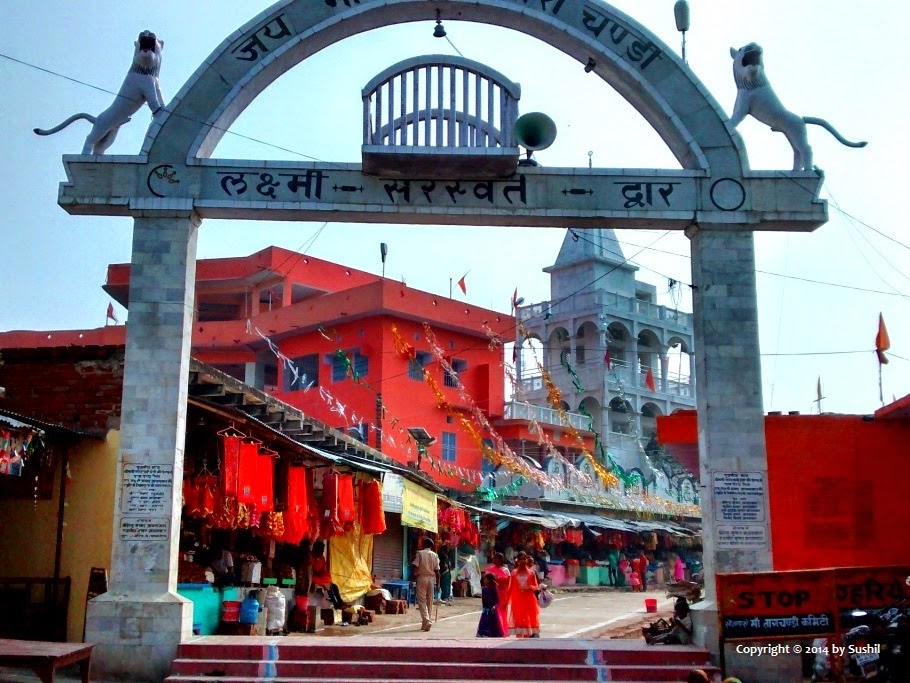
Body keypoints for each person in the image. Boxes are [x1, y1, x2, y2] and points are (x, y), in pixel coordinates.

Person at [509, 551, 541, 638]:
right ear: (517, 561)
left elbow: (536, 587)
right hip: (517, 600)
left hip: (528, 600)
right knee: (518, 620)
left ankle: (526, 642)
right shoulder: (514, 573)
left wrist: (529, 587)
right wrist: (506, 600)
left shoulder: (531, 573)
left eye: (524, 559)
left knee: (527, 621)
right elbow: (510, 587)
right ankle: (518, 643)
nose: (523, 561)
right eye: (521, 559)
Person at [412, 537, 440, 631]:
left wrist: (413, 577)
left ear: (424, 545)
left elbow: (415, 566)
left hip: (422, 577)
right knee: (429, 600)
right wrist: (438, 583)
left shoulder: (419, 553)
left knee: (421, 600)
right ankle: (425, 623)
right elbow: (437, 571)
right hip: (432, 579)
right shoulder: (435, 555)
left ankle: (426, 620)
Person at [309, 540, 344, 610]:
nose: (322, 552)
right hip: (311, 577)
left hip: (319, 578)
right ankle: (335, 603)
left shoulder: (322, 558)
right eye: (320, 550)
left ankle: (339, 602)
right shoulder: (310, 557)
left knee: (334, 586)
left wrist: (326, 579)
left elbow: (324, 572)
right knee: (327, 584)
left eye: (322, 550)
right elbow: (309, 572)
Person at [486, 552, 512, 636]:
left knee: (502, 612)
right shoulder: (489, 569)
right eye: (494, 558)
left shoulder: (506, 570)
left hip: (502, 594)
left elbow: (508, 583)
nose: (495, 560)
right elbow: (486, 581)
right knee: (492, 612)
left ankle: (502, 630)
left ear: (501, 560)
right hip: (491, 594)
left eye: (498, 558)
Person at [476, 573, 505, 637]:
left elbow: (497, 600)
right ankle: (483, 633)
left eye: (486, 579)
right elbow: (483, 600)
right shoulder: (484, 589)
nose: (484, 580)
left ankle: (493, 633)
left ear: (489, 580)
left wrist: (494, 606)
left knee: (493, 622)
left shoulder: (494, 589)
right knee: (484, 622)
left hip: (492, 610)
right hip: (486, 609)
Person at [437, 540, 453, 606]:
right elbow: (442, 565)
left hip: (446, 573)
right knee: (445, 587)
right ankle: (445, 599)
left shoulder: (445, 556)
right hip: (444, 573)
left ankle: (446, 599)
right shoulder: (442, 556)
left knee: (446, 586)